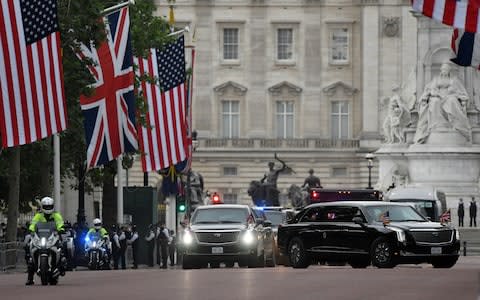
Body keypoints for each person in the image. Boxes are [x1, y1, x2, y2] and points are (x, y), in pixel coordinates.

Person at [414, 62, 471, 144]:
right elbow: (430, 89)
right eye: (443, 69)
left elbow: (459, 90)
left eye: (446, 69)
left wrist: (454, 93)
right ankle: (437, 125)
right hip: (438, 96)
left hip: (450, 96)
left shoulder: (453, 80)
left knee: (452, 101)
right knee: (434, 102)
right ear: (441, 70)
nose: (444, 71)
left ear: (449, 70)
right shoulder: (436, 79)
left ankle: (454, 123)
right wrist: (435, 93)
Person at [26, 196, 66, 285]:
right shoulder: (38, 216)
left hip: (52, 237)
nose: (48, 209)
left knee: (63, 245)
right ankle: (30, 278)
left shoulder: (56, 215)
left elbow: (60, 223)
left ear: (52, 206)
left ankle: (62, 265)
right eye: (46, 207)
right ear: (42, 207)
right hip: (41, 237)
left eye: (49, 206)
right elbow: (33, 224)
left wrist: (61, 229)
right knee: (28, 248)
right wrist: (31, 229)